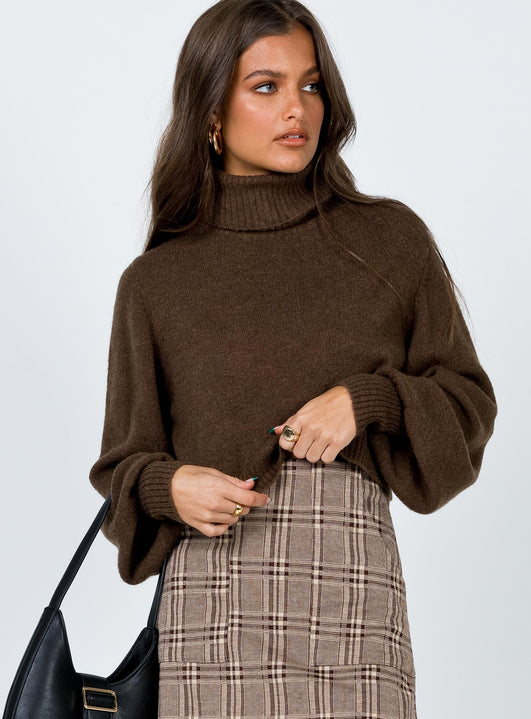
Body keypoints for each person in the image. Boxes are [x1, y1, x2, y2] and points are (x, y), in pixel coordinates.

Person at [88, 0, 497, 717]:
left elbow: (468, 407)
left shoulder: (388, 241)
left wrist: (369, 400)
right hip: (211, 603)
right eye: (265, 86)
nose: (296, 109)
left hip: (351, 598)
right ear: (211, 114)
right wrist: (169, 486)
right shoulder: (156, 283)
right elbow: (121, 468)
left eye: (310, 85)